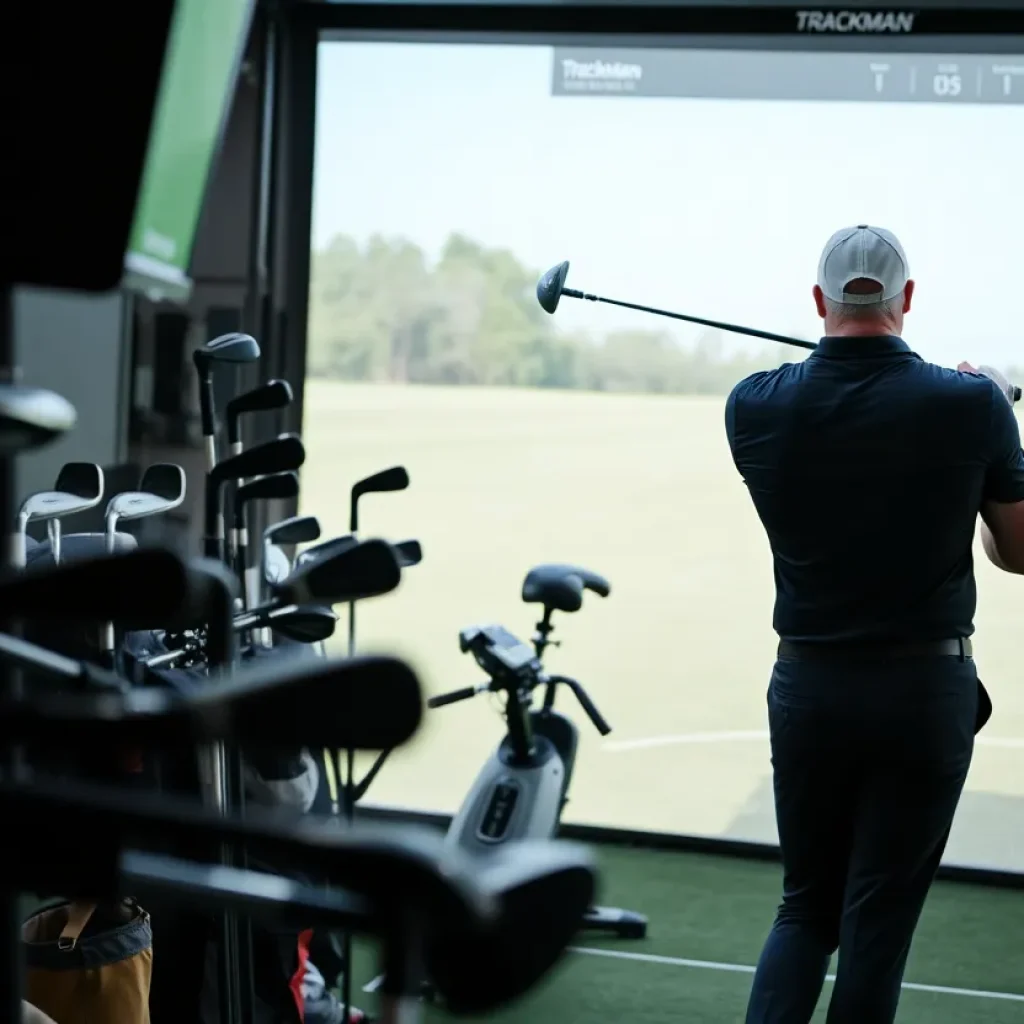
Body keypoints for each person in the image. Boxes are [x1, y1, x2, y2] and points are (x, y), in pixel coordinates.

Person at [725, 224, 1024, 1024]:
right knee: (876, 929)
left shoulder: (751, 407)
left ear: (819, 300)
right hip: (924, 692)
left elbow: (839, 403)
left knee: (805, 912)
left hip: (810, 688)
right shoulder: (971, 406)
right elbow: (1019, 552)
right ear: (908, 299)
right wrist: (996, 420)